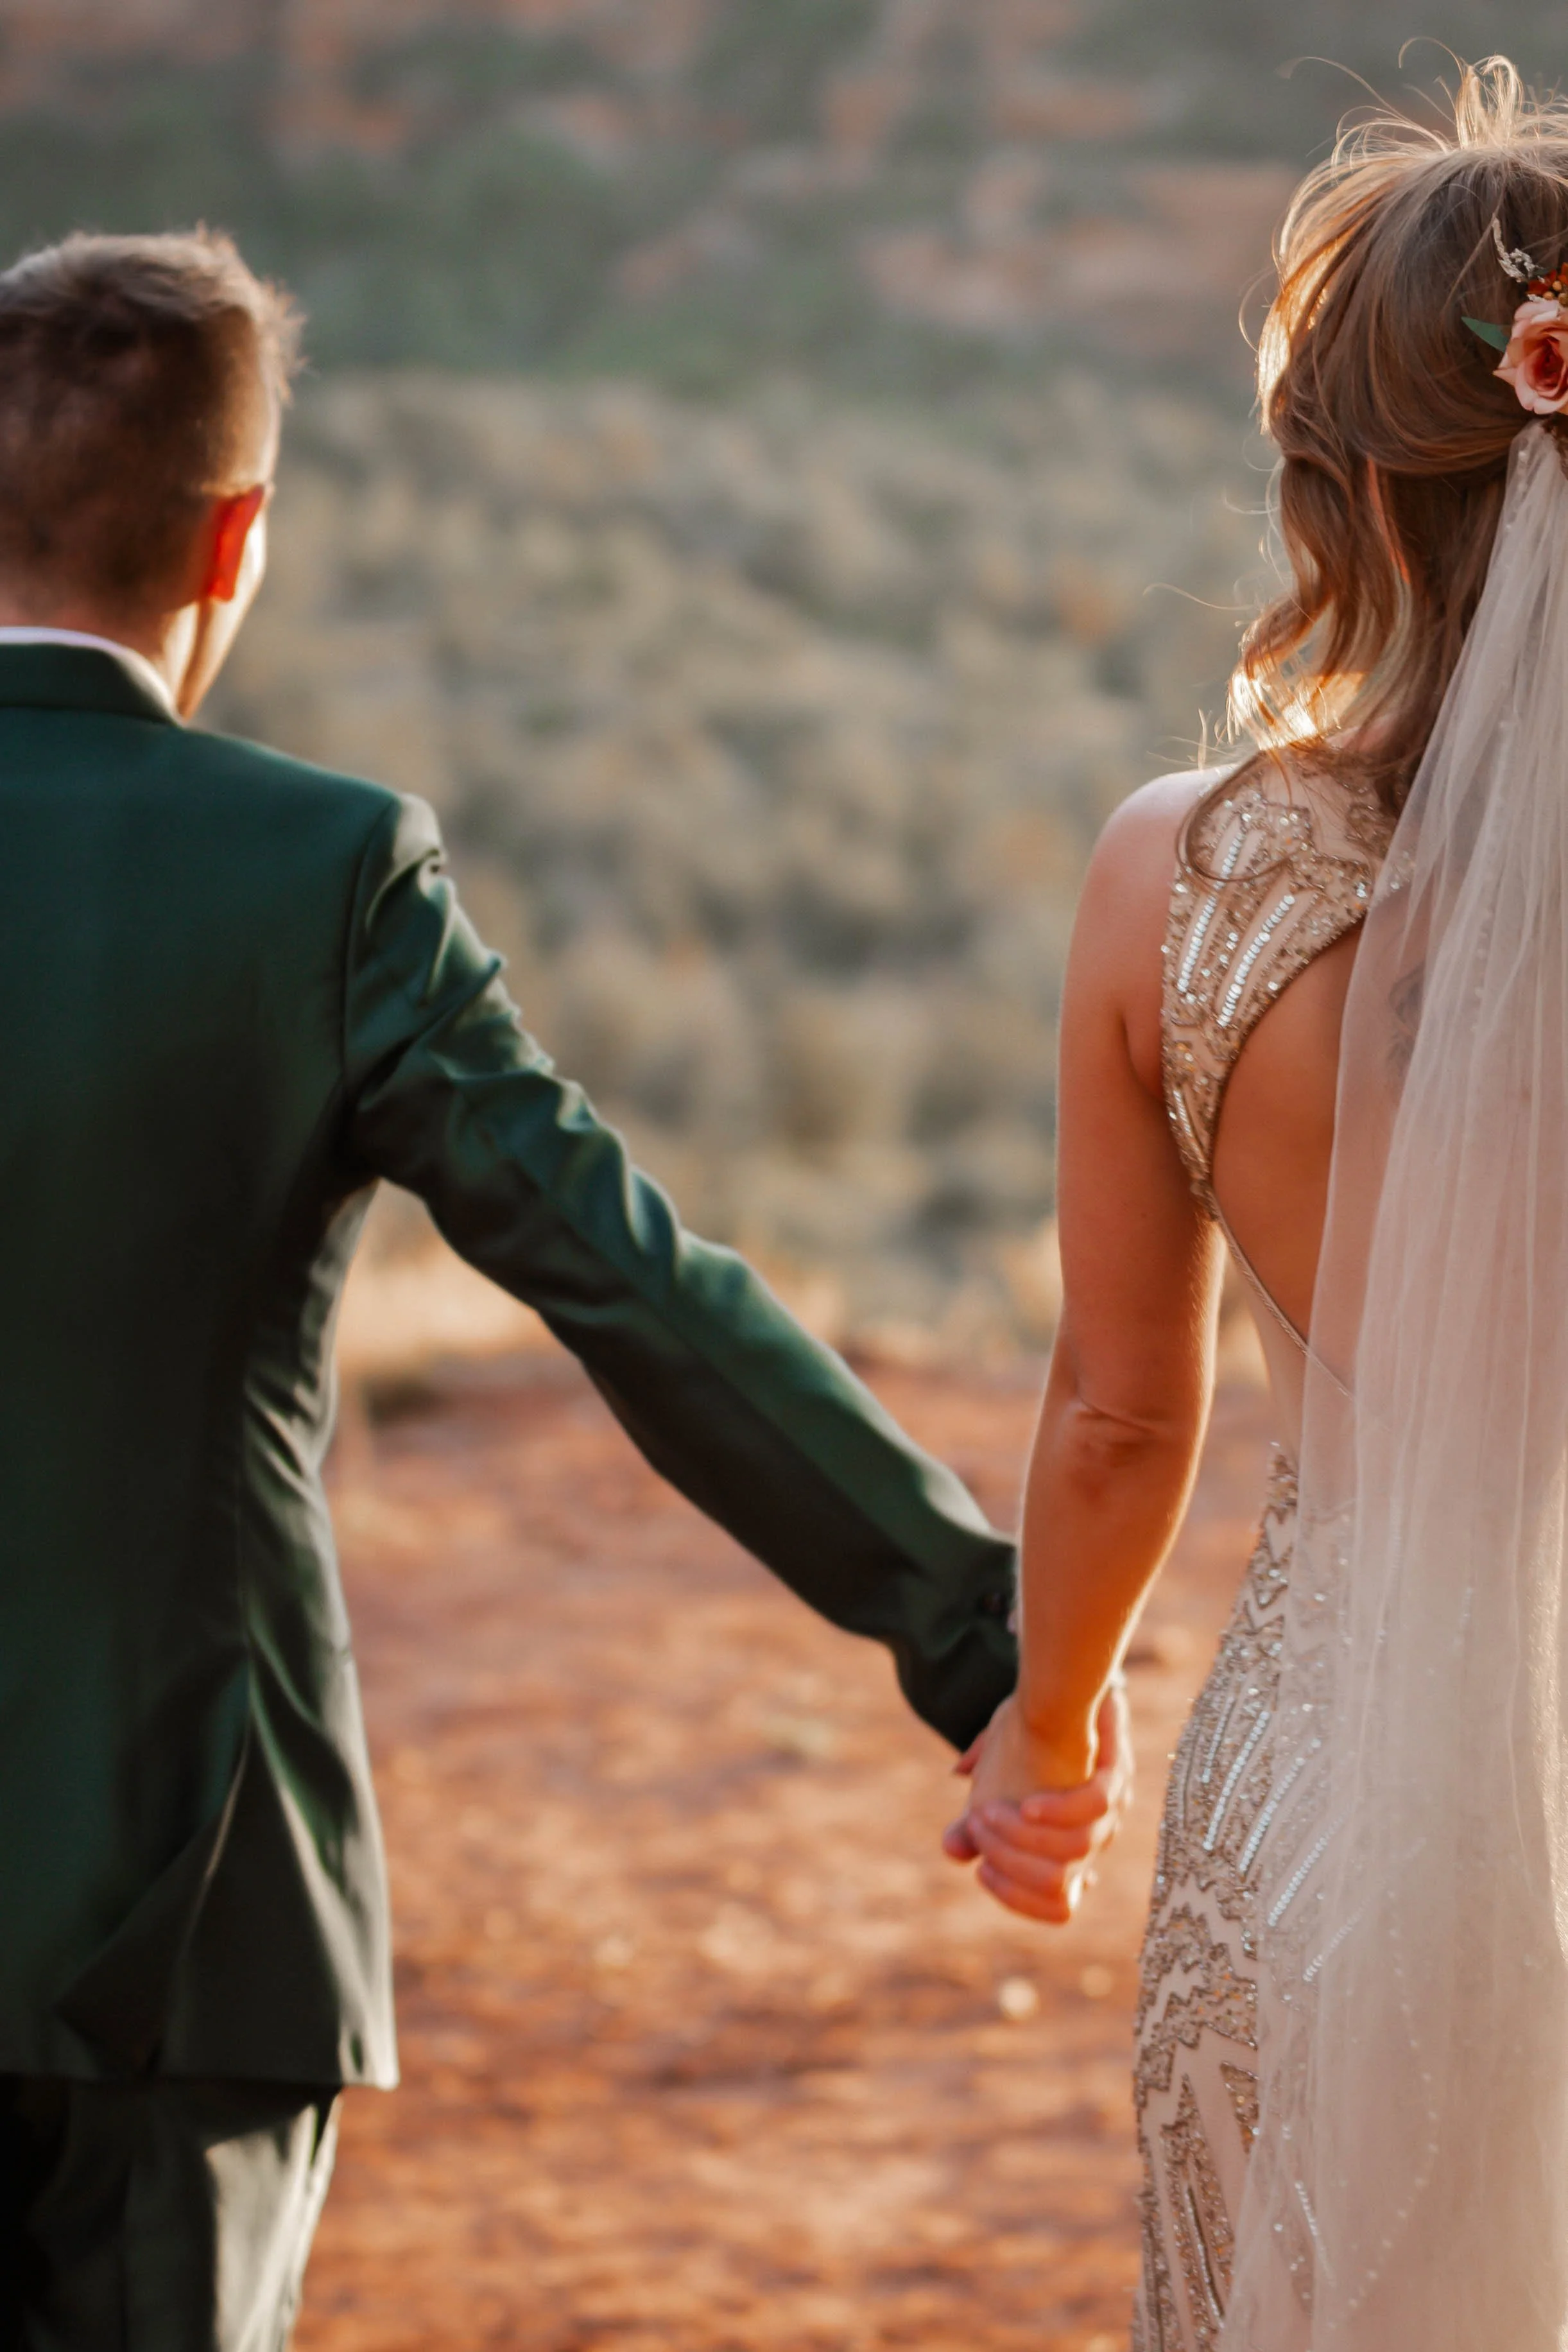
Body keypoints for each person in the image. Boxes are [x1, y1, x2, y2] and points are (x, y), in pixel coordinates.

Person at [0, 229, 1035, 2349]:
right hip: (179, 1922)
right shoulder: (323, 873)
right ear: (239, 535)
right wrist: (985, 1634)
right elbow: (626, 1283)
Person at [946, 55, 1568, 2352]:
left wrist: (1050, 1730)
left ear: (1338, 488)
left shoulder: (1171, 874)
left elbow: (1124, 1415)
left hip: (1330, 1818)